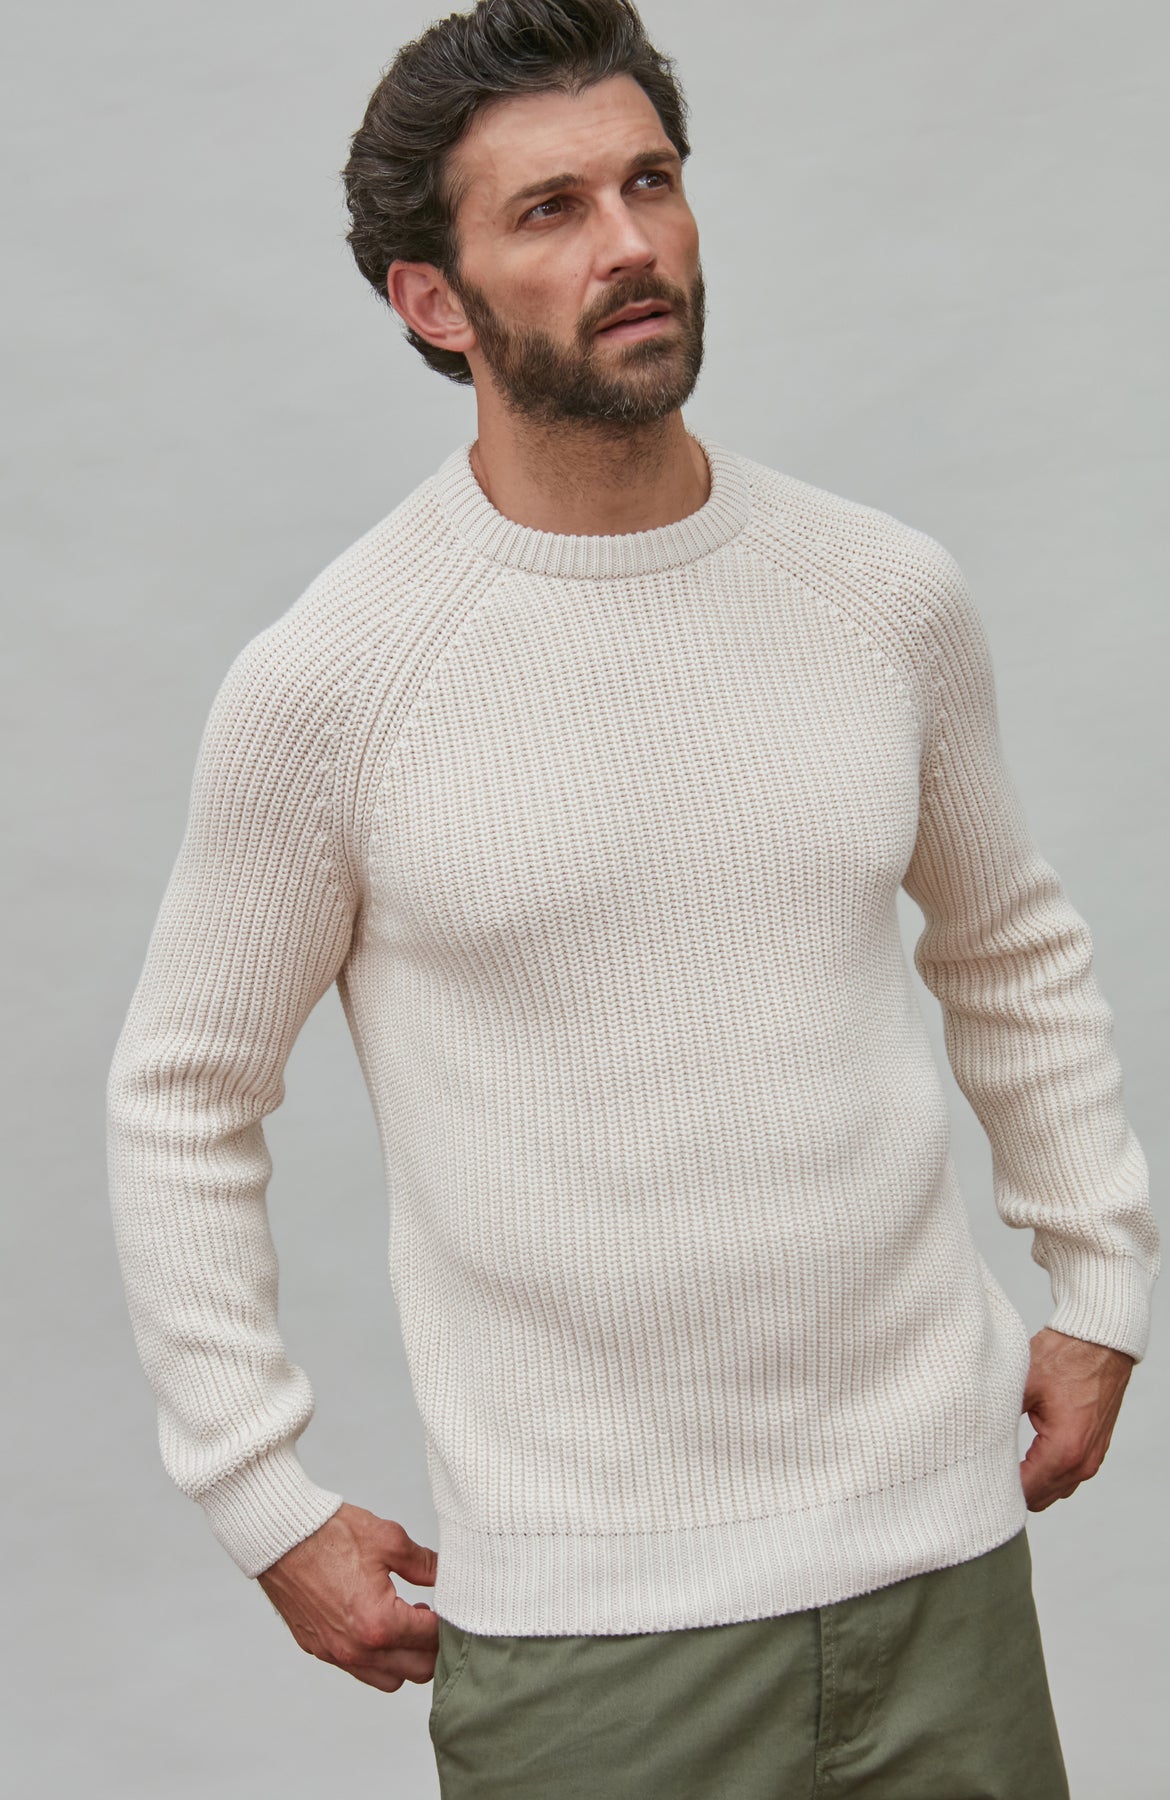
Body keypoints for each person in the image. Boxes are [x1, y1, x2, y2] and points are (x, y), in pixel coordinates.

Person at [106, 3, 1158, 1795]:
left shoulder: (881, 596)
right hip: (591, 1643)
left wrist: (1099, 1271)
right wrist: (253, 1488)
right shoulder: (336, 681)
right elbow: (180, 1095)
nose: (628, 244)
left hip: (943, 1568)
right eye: (550, 210)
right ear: (431, 300)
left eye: (649, 183)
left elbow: (1006, 947)